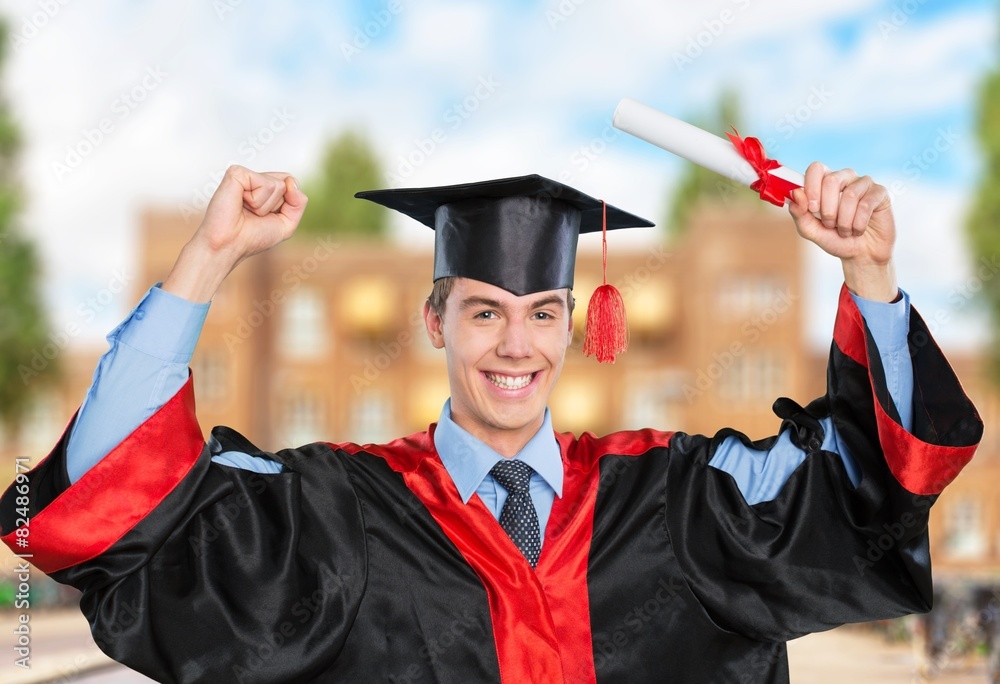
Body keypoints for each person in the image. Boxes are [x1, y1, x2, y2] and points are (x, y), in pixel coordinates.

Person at [0, 163, 983, 683]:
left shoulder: (684, 498)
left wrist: (869, 275)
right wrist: (208, 258)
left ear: (572, 324)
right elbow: (114, 504)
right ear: (435, 320)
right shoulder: (336, 507)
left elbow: (876, 483)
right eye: (484, 311)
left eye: (541, 313)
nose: (516, 345)